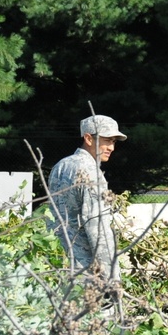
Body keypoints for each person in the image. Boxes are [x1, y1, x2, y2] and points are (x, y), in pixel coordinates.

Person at [47, 114, 127, 285]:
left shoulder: (61, 166)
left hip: (56, 264)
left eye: (114, 141)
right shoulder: (91, 173)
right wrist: (113, 278)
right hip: (85, 273)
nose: (111, 147)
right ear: (89, 138)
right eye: (107, 140)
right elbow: (98, 229)